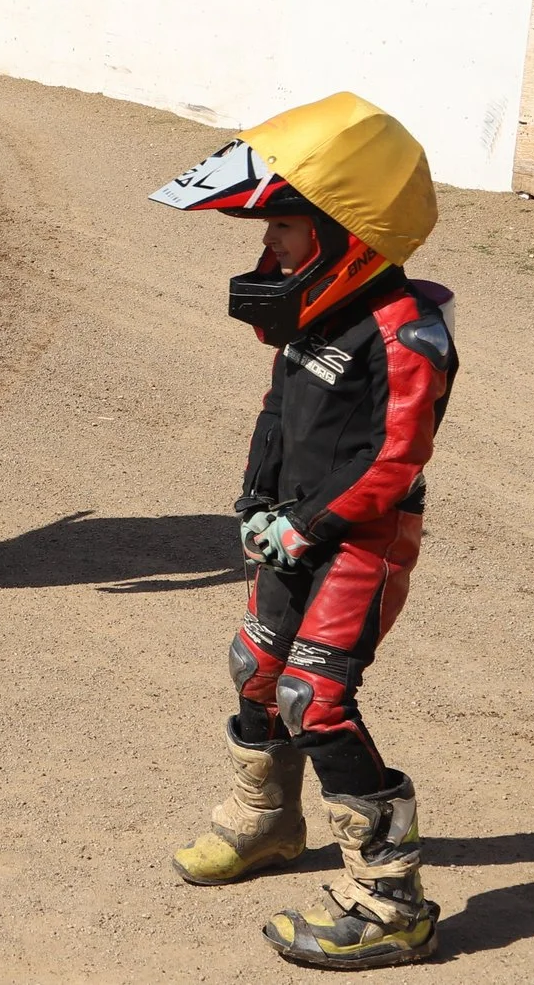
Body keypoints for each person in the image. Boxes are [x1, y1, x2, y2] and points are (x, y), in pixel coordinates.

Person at [150, 93, 453, 970]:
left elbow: (394, 457)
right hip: (290, 529)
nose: (272, 242)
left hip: (360, 541)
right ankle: (268, 820)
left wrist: (309, 523)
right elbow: (276, 414)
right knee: (256, 667)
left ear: (343, 230)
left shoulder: (405, 329)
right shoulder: (313, 307)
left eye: (285, 224)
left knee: (313, 697)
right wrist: (256, 500)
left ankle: (391, 900)